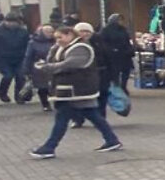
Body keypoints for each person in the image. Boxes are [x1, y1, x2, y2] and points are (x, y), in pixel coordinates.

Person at [28, 22, 123, 158]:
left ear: (69, 35)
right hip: (69, 90)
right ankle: (112, 140)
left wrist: (47, 67)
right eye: (56, 38)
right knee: (93, 115)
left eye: (60, 37)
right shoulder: (60, 47)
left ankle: (49, 147)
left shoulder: (81, 48)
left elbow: (69, 65)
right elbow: (54, 61)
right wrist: (47, 63)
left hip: (77, 89)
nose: (57, 40)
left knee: (62, 117)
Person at [0, 12, 30, 104]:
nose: (12, 24)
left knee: (20, 76)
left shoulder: (23, 31)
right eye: (9, 22)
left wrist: (28, 57)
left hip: (19, 58)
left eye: (14, 22)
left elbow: (28, 45)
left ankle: (19, 96)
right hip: (2, 59)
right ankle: (2, 93)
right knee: (8, 75)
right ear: (5, 21)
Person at [21, 25, 55, 109]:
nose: (50, 34)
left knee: (54, 86)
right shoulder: (33, 43)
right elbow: (28, 57)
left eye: (51, 31)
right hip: (39, 68)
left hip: (53, 66)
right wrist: (26, 70)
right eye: (47, 31)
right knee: (42, 87)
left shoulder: (56, 41)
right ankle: (45, 104)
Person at [98, 14, 135, 91]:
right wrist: (110, 50)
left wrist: (130, 49)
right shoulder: (106, 30)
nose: (121, 22)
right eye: (119, 20)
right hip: (113, 55)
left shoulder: (123, 29)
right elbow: (103, 42)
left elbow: (127, 40)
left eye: (121, 20)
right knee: (115, 73)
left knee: (126, 71)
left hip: (125, 54)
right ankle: (116, 87)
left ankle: (123, 86)